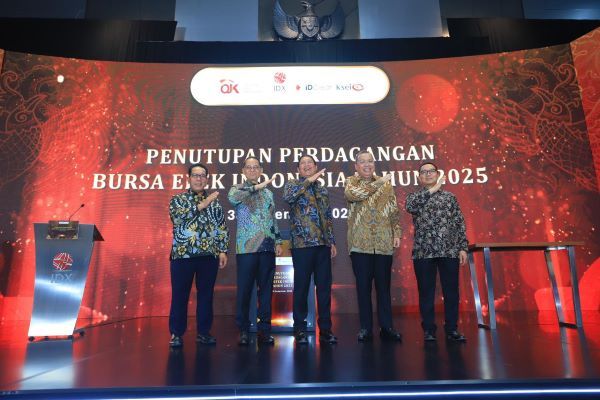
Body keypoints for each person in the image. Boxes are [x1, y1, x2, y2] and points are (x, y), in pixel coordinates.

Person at [168, 163, 229, 347]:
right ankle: (176, 333)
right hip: (183, 255)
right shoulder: (178, 199)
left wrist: (222, 250)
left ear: (207, 179)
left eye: (202, 175)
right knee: (180, 295)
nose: (199, 179)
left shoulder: (215, 203)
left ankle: (203, 332)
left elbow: (221, 227)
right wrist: (203, 204)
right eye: (195, 175)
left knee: (206, 296)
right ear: (189, 178)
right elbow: (177, 218)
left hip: (209, 256)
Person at [406, 162, 468, 342]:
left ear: (437, 173)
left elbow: (459, 222)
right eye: (424, 172)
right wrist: (434, 189)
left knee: (451, 292)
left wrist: (462, 247)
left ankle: (452, 329)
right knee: (426, 292)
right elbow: (411, 207)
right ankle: (429, 330)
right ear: (419, 177)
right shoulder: (414, 197)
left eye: (431, 171)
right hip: (424, 251)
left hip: (449, 250)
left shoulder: (450, 197)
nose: (428, 174)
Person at [345, 150, 403, 342]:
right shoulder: (351, 182)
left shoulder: (386, 185)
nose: (367, 164)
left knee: (383, 288)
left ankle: (387, 327)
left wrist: (397, 232)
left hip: (383, 243)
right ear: (356, 166)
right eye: (362, 162)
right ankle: (365, 328)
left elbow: (393, 210)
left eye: (370, 161)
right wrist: (379, 182)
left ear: (374, 164)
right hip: (360, 245)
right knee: (363, 288)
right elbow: (354, 195)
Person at [283, 155, 337, 345]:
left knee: (324, 289)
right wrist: (308, 181)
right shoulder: (292, 185)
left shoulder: (322, 189)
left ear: (315, 166)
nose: (306, 165)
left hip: (322, 245)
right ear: (298, 169)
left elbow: (327, 216)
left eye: (310, 163)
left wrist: (332, 241)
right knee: (301, 288)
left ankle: (326, 330)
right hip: (302, 245)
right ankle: (299, 328)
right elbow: (288, 197)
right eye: (303, 164)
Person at [228, 157, 282, 346]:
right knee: (244, 291)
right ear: (243, 170)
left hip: (267, 248)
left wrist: (278, 240)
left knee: (266, 292)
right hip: (246, 249)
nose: (252, 170)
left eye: (255, 167)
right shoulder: (237, 189)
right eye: (248, 167)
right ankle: (243, 330)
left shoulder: (268, 193)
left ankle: (264, 330)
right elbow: (233, 199)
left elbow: (273, 218)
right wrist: (256, 187)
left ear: (261, 170)